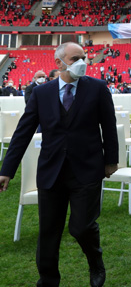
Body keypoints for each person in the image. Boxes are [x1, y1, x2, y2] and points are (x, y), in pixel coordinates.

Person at [0, 42, 118, 287]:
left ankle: (95, 261)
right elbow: (23, 133)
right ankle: (48, 280)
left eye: (84, 57)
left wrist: (111, 161)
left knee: (81, 227)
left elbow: (109, 126)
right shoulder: (41, 93)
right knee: (48, 232)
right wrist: (6, 170)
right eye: (75, 58)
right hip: (51, 172)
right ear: (58, 63)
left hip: (87, 170)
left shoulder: (97, 88)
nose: (82, 62)